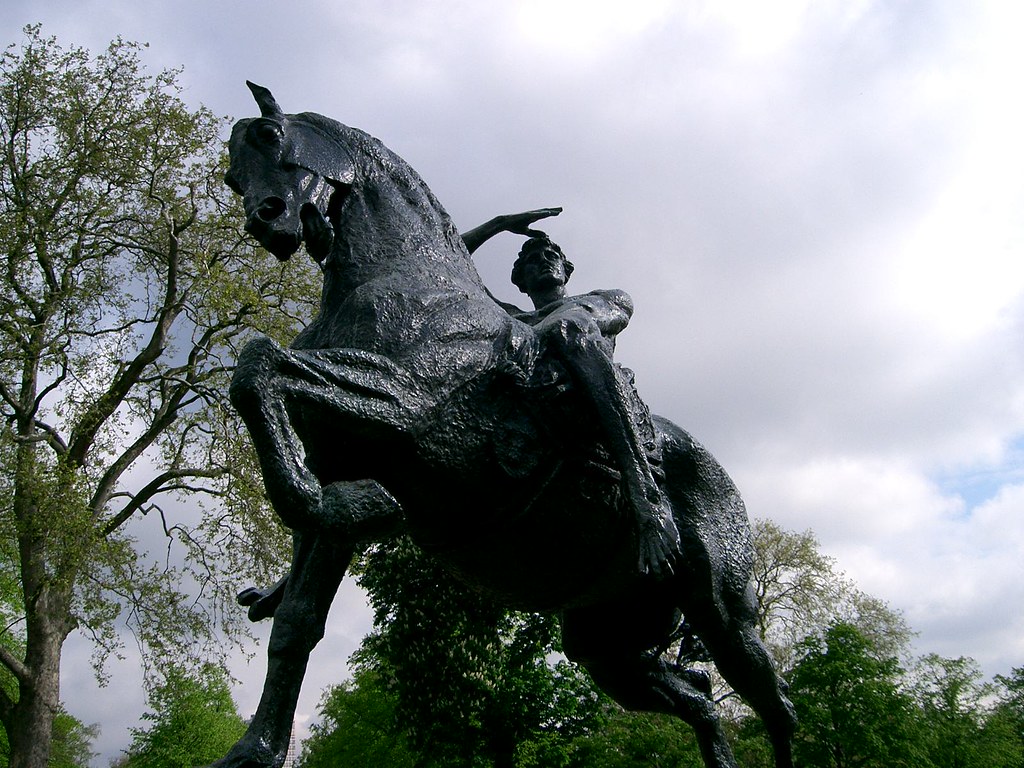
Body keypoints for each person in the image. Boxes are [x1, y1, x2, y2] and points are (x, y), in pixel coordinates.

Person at [505, 234, 682, 577]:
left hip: (589, 401)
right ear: (521, 280)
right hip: (534, 403)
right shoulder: (514, 316)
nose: (543, 260)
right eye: (532, 260)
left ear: (566, 269)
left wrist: (534, 329)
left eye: (551, 255)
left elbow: (590, 320)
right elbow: (450, 261)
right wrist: (498, 226)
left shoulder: (604, 299)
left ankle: (646, 498)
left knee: (569, 326)